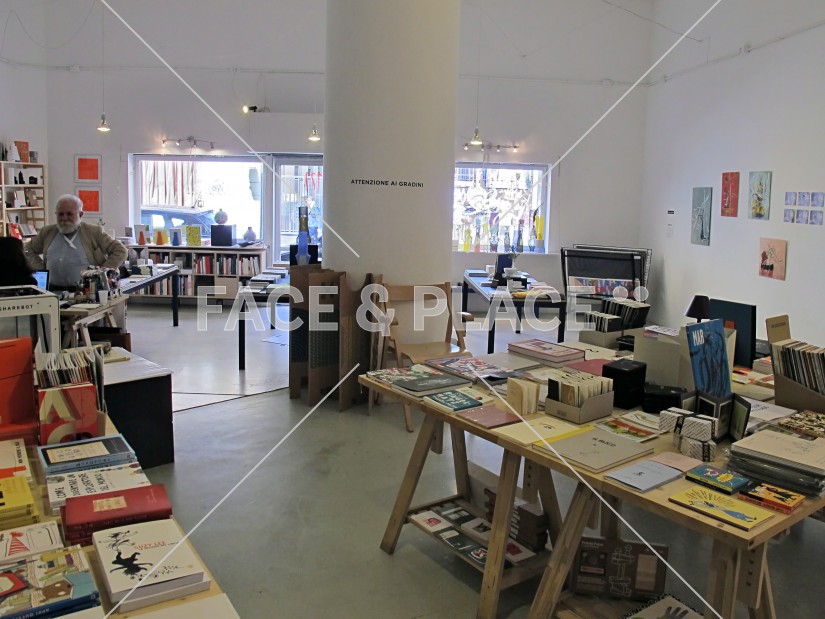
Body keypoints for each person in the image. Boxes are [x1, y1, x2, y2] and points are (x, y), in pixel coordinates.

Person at [25, 194, 127, 289]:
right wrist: (40, 269)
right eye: (60, 214)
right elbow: (27, 249)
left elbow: (120, 250)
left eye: (69, 214)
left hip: (85, 292)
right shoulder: (47, 232)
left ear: (81, 214)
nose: (64, 218)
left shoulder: (93, 232)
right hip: (53, 290)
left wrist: (103, 272)